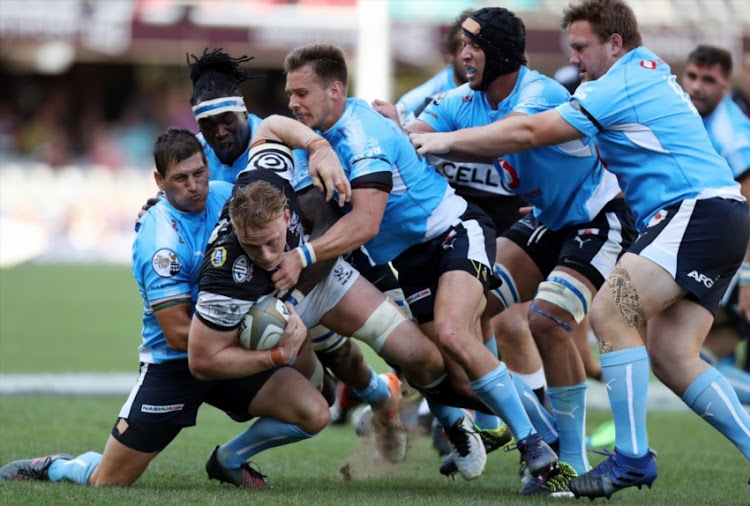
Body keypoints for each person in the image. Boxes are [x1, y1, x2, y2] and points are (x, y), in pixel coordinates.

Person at [410, 0, 750, 499]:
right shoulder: (632, 74)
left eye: (582, 47)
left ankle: (626, 457)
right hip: (708, 218)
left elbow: (530, 132)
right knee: (673, 355)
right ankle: (524, 428)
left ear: (615, 43)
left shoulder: (617, 84)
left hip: (690, 213)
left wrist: (442, 143)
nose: (575, 59)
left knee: (612, 312)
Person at [257, 42, 559, 483]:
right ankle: (495, 429)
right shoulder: (327, 127)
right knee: (439, 366)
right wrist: (315, 144)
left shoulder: (364, 138)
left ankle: (536, 442)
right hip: (411, 257)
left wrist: (301, 256)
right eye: (290, 93)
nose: (292, 102)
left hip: (454, 233)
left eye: (302, 93)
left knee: (456, 336)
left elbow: (364, 223)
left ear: (335, 90)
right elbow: (269, 123)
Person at [0, 128, 329, 489]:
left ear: (209, 168)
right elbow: (177, 335)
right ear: (159, 181)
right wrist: (263, 337)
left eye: (199, 173)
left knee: (314, 413)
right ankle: (57, 467)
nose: (194, 186)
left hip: (228, 354)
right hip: (175, 366)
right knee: (108, 482)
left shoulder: (229, 199)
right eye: (180, 178)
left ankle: (228, 459)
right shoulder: (161, 241)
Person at [403, 6, 635, 495]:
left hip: (600, 218)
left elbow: (511, 135)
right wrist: (392, 130)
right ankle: (531, 430)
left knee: (546, 322)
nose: (464, 54)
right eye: (462, 44)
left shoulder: (541, 92)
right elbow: (416, 134)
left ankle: (568, 460)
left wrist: (440, 141)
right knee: (467, 315)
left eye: (475, 45)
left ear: (503, 52)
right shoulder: (461, 99)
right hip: (547, 223)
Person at [186, 47, 415, 462]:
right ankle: (371, 396)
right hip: (253, 285)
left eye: (227, 121)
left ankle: (389, 401)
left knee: (342, 354)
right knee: (319, 391)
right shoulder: (198, 158)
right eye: (207, 124)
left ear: (244, 114)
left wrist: (291, 297)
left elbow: (323, 223)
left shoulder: (278, 142)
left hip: (310, 270)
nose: (219, 132)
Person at [682, 44, 750, 401]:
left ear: (726, 86)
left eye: (708, 80)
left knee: (676, 355)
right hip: (707, 248)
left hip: (728, 259)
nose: (697, 86)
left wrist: (748, 279)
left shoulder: (732, 133)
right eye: (692, 76)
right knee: (691, 356)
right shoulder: (692, 118)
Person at [395, 9, 472, 126]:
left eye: (480, 48)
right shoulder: (415, 102)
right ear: (451, 53)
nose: (474, 56)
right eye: (464, 48)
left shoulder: (500, 89)